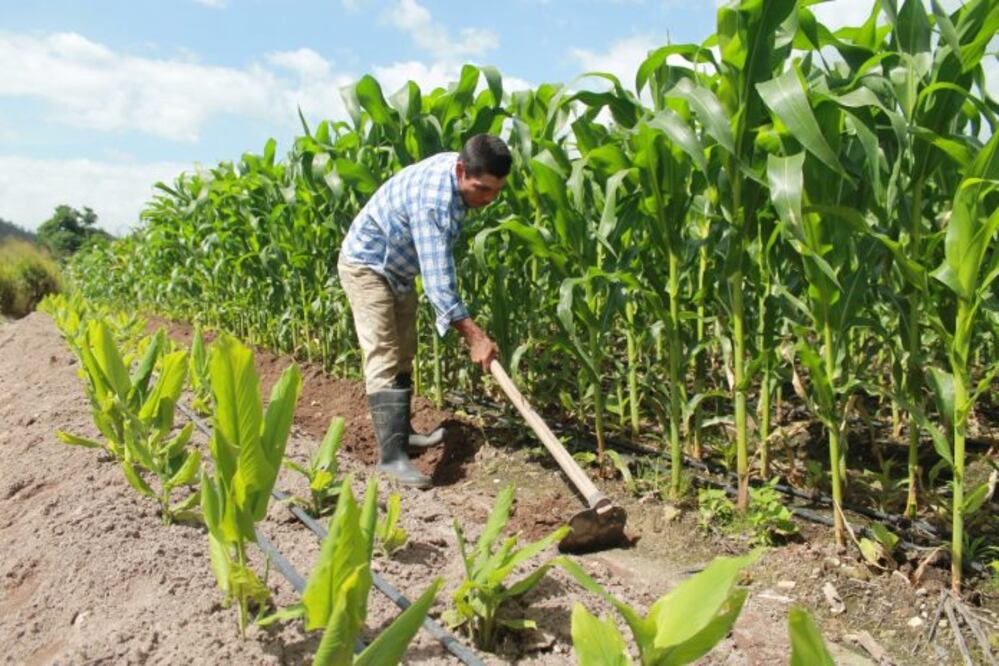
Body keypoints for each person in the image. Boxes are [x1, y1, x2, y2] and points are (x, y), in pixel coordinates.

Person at [337, 134, 511, 488]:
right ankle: (392, 459)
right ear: (461, 170)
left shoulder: (460, 176)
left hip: (399, 269)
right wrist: (475, 336)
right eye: (482, 189)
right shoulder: (435, 200)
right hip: (367, 265)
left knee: (405, 350)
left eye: (496, 191)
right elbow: (438, 280)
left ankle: (404, 436)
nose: (489, 199)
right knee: (384, 353)